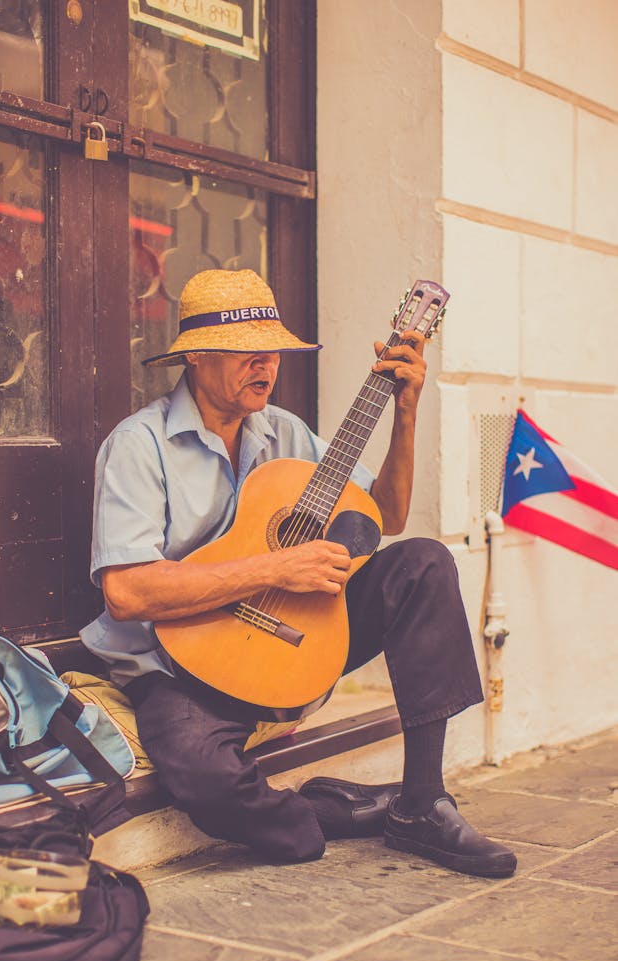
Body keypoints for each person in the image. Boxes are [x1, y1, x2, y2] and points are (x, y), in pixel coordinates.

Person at [81, 268, 516, 878]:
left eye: (274, 352)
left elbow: (386, 514)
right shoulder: (139, 444)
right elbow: (127, 592)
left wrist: (407, 411)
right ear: (198, 356)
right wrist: (278, 567)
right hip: (178, 664)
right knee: (217, 789)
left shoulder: (285, 433)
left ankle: (421, 800)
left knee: (423, 562)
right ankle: (339, 810)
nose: (265, 366)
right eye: (245, 354)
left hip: (292, 642)